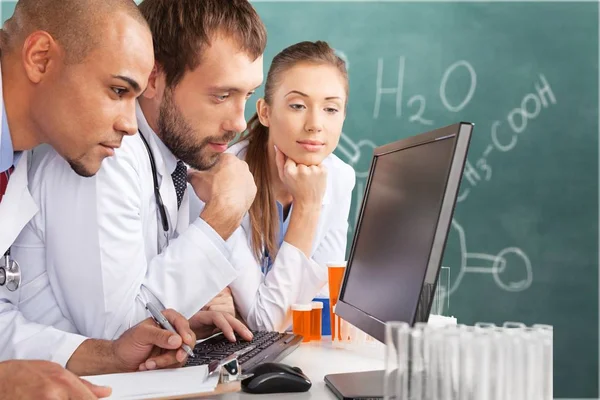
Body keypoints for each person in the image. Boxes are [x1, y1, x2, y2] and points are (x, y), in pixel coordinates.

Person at [10, 0, 265, 345]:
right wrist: (221, 218)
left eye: (248, 95)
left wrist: (184, 318)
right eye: (221, 96)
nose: (238, 122)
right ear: (154, 80)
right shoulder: (101, 149)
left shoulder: (176, 160)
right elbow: (119, 338)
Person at [0, 0, 197, 398]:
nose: (129, 123)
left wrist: (108, 355)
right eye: (118, 90)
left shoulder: (15, 160)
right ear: (40, 59)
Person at [226, 41, 356, 332]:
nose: (315, 124)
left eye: (331, 109)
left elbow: (323, 302)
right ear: (265, 112)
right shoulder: (226, 177)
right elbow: (266, 323)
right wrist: (307, 207)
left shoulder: (340, 177)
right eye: (297, 105)